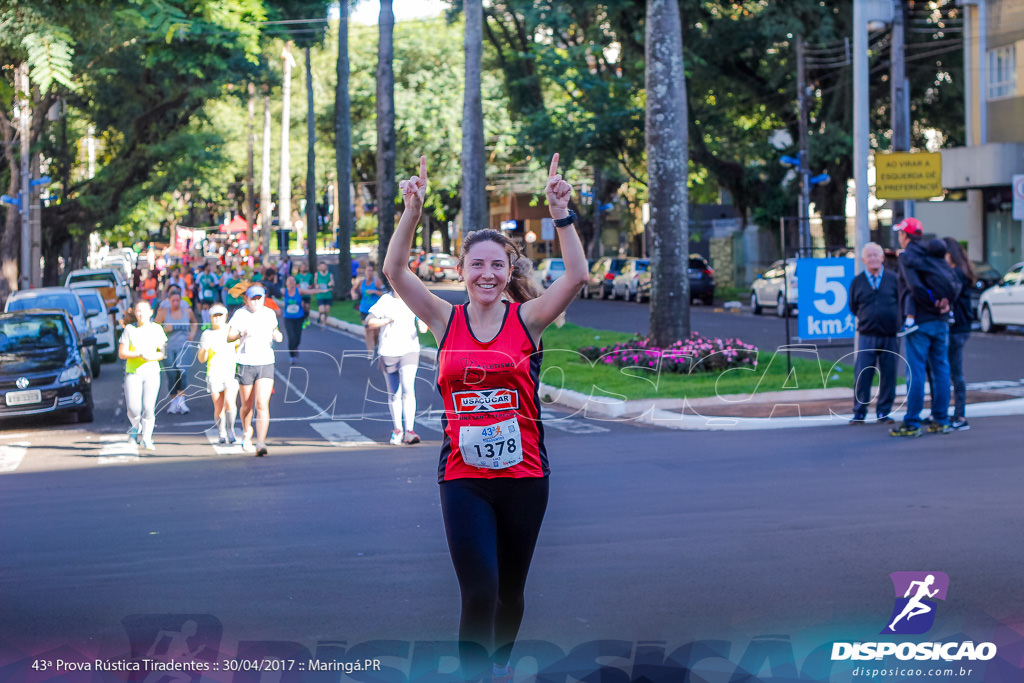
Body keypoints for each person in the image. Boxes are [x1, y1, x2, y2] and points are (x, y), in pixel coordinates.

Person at [382, 154, 588, 682]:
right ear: (462, 271)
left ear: (509, 271)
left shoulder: (530, 319)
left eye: (498, 265)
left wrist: (561, 212)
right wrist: (412, 209)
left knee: (511, 594)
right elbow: (395, 270)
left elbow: (578, 275)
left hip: (524, 478)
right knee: (478, 593)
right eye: (477, 265)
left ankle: (498, 664)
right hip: (463, 478)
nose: (487, 273)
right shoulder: (442, 319)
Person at [891, 217, 953, 437]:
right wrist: (943, 304)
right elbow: (950, 279)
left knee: (915, 371)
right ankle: (941, 419)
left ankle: (912, 422)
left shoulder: (909, 256)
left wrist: (929, 304)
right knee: (941, 370)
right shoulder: (933, 253)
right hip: (942, 320)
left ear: (905, 235)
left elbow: (914, 287)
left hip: (920, 321)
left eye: (900, 233)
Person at [227, 284, 283, 456]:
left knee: (262, 403)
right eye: (253, 298)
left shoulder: (269, 314)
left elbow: (277, 332)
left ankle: (261, 442)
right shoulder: (240, 314)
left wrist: (277, 335)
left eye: (259, 298)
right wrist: (239, 334)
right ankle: (246, 431)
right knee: (247, 405)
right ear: (247, 299)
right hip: (245, 362)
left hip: (265, 361)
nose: (257, 301)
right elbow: (229, 337)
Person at [848, 242, 900, 425]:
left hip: (889, 335)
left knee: (889, 374)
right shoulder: (858, 282)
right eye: (868, 256)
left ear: (882, 257)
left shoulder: (894, 279)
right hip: (867, 334)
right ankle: (859, 412)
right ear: (863, 260)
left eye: (875, 255)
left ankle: (884, 412)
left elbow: (901, 302)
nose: (872, 259)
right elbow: (853, 307)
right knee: (863, 374)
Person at [366, 289, 426, 444]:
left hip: (410, 350)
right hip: (389, 351)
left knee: (408, 388)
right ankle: (397, 429)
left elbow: (424, 323)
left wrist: (422, 323)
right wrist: (386, 321)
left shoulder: (413, 298)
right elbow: (369, 321)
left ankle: (410, 431)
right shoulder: (386, 300)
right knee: (394, 393)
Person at [119, 300, 167, 452]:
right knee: (133, 407)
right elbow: (122, 353)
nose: (141, 314)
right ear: (134, 313)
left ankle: (147, 437)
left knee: (148, 407)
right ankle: (135, 427)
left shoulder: (157, 329)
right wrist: (138, 354)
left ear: (151, 313)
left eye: (144, 311)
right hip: (133, 373)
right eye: (138, 311)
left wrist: (151, 356)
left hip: (152, 371)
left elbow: (162, 353)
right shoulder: (129, 329)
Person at [942, 237, 975, 431]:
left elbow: (949, 295)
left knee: (953, 372)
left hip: (956, 328)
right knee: (953, 372)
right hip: (962, 328)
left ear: (949, 254)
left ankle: (959, 415)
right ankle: (955, 413)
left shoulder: (955, 273)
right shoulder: (963, 271)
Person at [198, 304, 239, 444]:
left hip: (230, 372)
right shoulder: (207, 334)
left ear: (226, 316)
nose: (217, 318)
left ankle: (231, 429)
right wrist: (203, 349)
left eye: (220, 315)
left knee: (230, 402)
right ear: (210, 318)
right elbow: (201, 359)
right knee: (218, 405)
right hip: (214, 372)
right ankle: (221, 430)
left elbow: (240, 347)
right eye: (214, 316)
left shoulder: (231, 331)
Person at [154, 286, 197, 415]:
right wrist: (163, 330)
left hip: (183, 346)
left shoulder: (187, 311)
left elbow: (194, 322)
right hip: (168, 347)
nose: (176, 303)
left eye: (178, 300)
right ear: (169, 300)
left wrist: (192, 334)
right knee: (172, 374)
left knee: (183, 372)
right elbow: (155, 327)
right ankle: (173, 401)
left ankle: (182, 400)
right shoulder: (163, 312)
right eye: (173, 300)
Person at [279, 275, 323, 363]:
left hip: (299, 317)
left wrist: (322, 290)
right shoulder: (284, 291)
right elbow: (273, 292)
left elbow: (310, 292)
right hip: (288, 318)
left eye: (293, 281)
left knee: (297, 337)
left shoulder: (299, 291)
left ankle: (296, 346)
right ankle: (292, 356)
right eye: (289, 281)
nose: (291, 282)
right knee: (291, 337)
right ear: (286, 283)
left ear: (295, 282)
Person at [351, 261, 383, 351]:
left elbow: (385, 293)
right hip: (364, 309)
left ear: (374, 272)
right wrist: (354, 294)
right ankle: (370, 351)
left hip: (375, 310)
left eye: (371, 271)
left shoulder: (377, 281)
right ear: (365, 272)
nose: (369, 272)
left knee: (375, 332)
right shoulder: (361, 282)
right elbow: (353, 290)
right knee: (368, 329)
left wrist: (375, 292)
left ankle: (376, 344)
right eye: (368, 270)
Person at [314, 261, 335, 328]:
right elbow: (315, 283)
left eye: (324, 266)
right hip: (320, 294)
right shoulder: (317, 274)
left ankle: (324, 323)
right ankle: (319, 316)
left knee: (327, 310)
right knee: (322, 310)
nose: (323, 267)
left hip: (328, 294)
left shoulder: (330, 274)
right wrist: (316, 286)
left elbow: (333, 283)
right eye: (321, 266)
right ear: (319, 267)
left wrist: (331, 284)